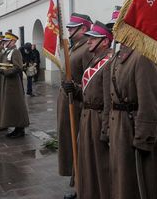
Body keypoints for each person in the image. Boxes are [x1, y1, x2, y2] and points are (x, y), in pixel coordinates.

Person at [104, 23, 157, 198]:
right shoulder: (117, 57)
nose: (115, 32)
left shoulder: (143, 56)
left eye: (119, 27)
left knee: (136, 183)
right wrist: (107, 128)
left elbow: (149, 102)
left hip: (132, 128)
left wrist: (143, 138)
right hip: (118, 129)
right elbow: (109, 99)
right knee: (120, 179)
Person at [71, 20, 113, 199]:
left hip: (98, 118)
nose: (88, 41)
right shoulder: (95, 60)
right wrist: (74, 89)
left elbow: (107, 99)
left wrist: (105, 129)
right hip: (87, 116)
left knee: (99, 163)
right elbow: (88, 92)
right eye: (88, 38)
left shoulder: (108, 63)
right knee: (86, 160)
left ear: (104, 41)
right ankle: (86, 191)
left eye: (93, 38)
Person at [58, 12, 94, 198]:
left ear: (84, 29)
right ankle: (77, 183)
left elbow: (90, 80)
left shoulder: (86, 49)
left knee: (79, 146)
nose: (69, 29)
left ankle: (81, 186)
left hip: (79, 104)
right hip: (68, 101)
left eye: (73, 27)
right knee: (71, 145)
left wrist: (76, 89)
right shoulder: (75, 47)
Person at [0, 32, 30, 138]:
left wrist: (5, 72)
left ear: (13, 41)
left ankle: (20, 129)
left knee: (17, 105)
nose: (5, 43)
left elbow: (18, 67)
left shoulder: (15, 52)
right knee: (11, 106)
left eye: (7, 41)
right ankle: (16, 128)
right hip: (8, 82)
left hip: (14, 83)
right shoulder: (8, 51)